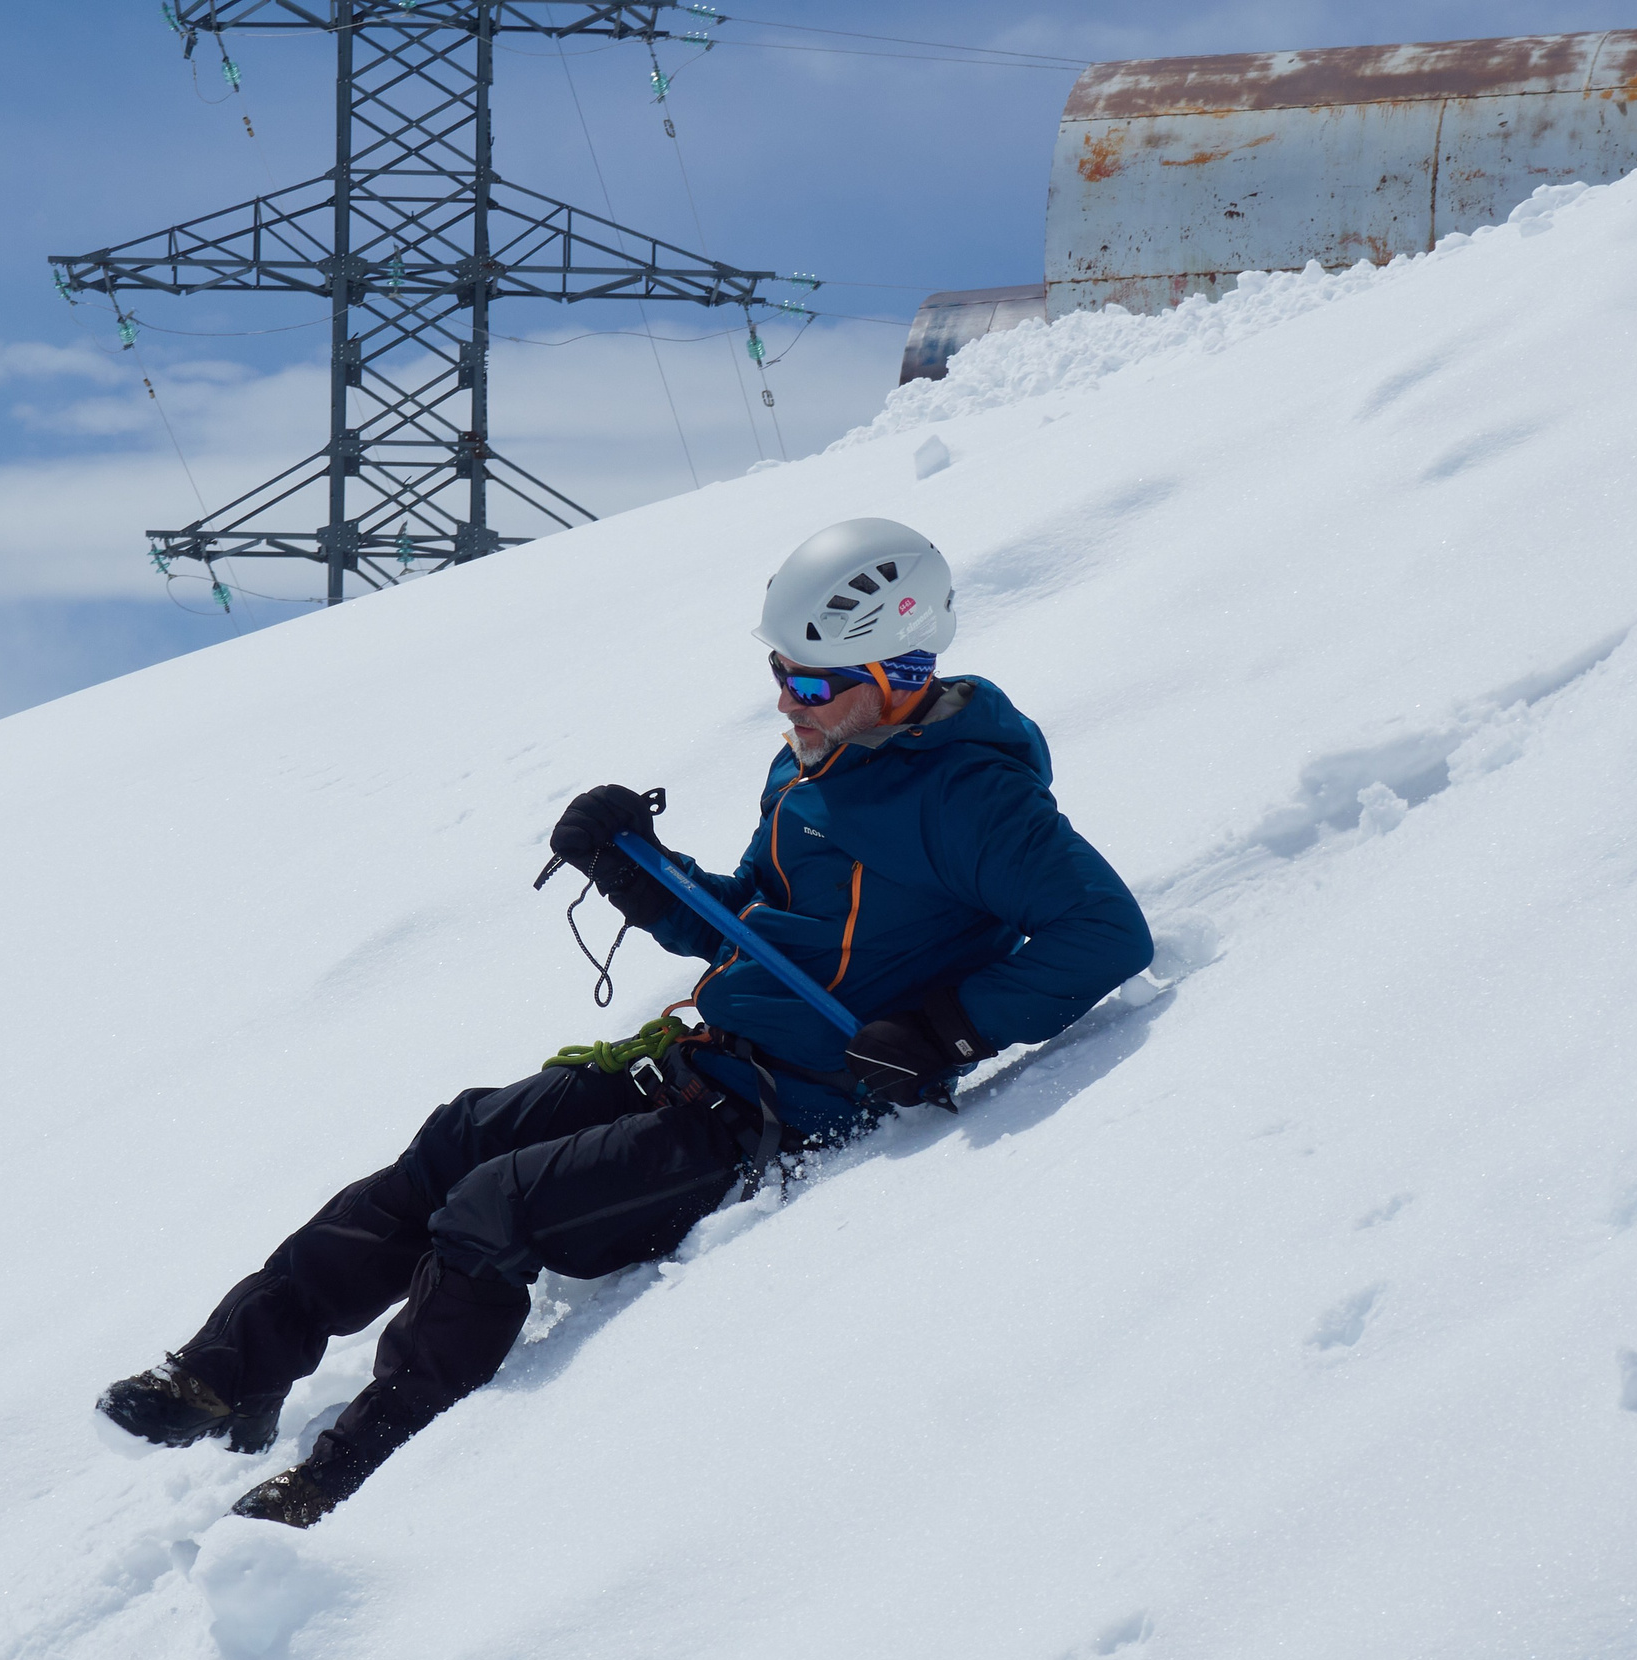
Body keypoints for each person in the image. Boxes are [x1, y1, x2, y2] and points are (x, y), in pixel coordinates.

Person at [98, 518, 1154, 1526]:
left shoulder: (973, 798)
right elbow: (746, 926)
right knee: (457, 1138)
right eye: (780, 673)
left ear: (902, 678)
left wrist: (946, 1029)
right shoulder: (811, 766)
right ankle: (225, 1374)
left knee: (493, 1207)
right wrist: (635, 871)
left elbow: (1103, 933)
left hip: (794, 1105)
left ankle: (355, 1468)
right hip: (712, 1057)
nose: (787, 700)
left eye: (814, 683)